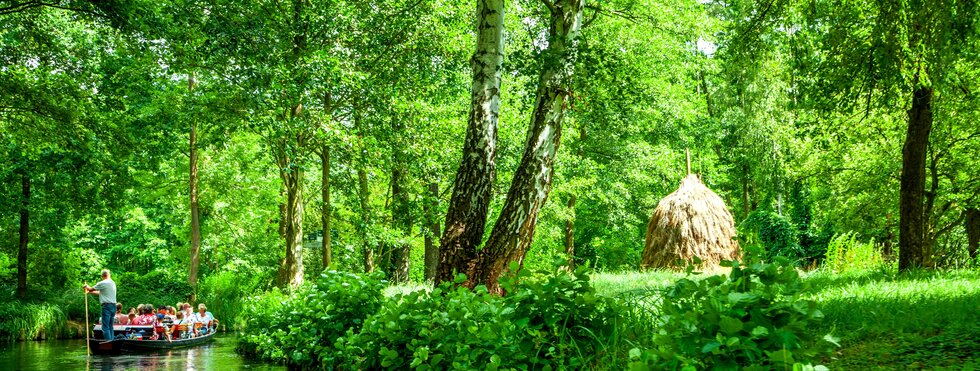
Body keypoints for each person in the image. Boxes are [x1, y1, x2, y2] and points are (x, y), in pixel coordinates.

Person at [84, 269, 117, 341]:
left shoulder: (102, 283)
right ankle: (112, 342)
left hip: (107, 307)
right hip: (114, 306)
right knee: (110, 326)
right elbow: (101, 293)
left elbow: (90, 289)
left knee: (105, 327)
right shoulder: (112, 283)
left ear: (102, 276)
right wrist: (89, 292)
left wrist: (86, 286)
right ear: (109, 275)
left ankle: (109, 343)